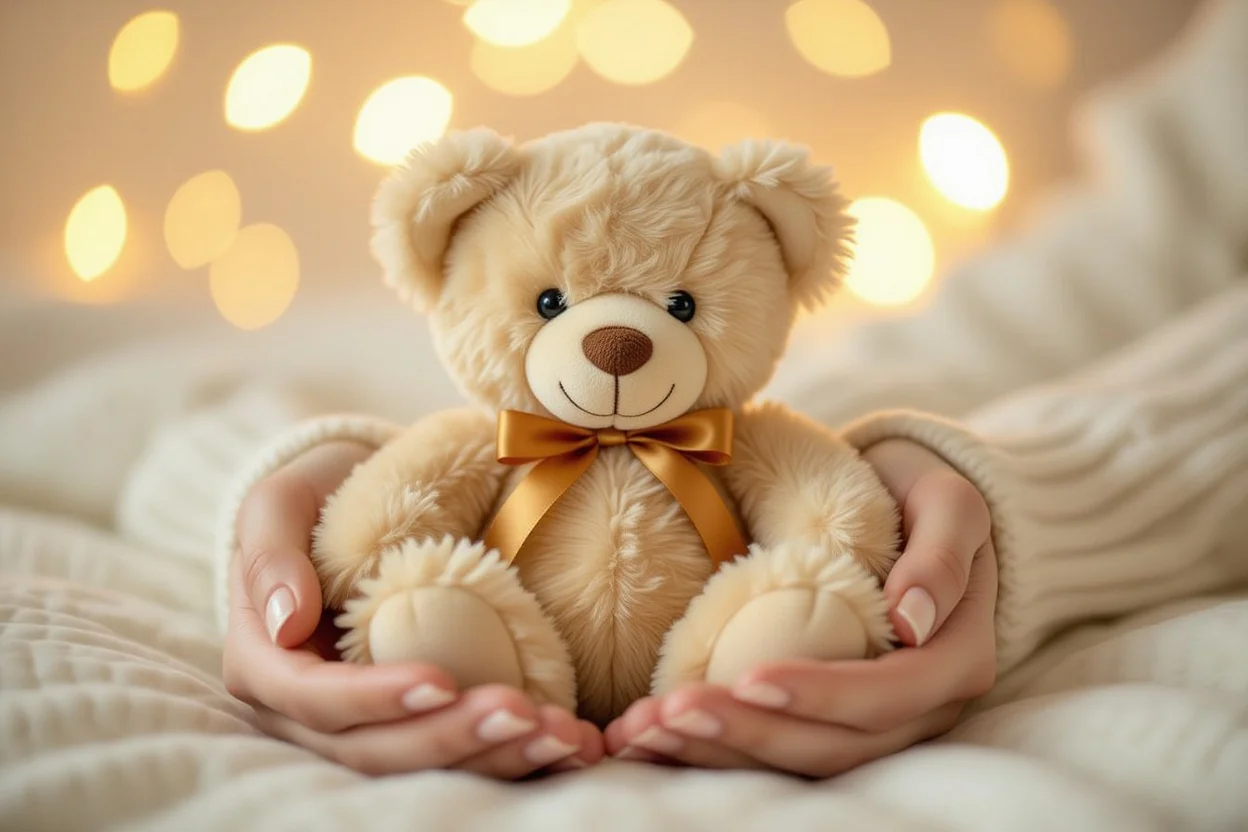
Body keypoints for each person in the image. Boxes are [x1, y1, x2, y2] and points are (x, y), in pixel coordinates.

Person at [211, 0, 1248, 779]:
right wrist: (325, 512)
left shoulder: (747, 441)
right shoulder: (480, 440)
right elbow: (1146, 242)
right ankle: (450, 634)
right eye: (554, 302)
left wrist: (930, 517)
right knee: (416, 595)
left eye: (677, 304)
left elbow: (824, 511)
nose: (616, 340)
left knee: (804, 595)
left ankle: (771, 637)